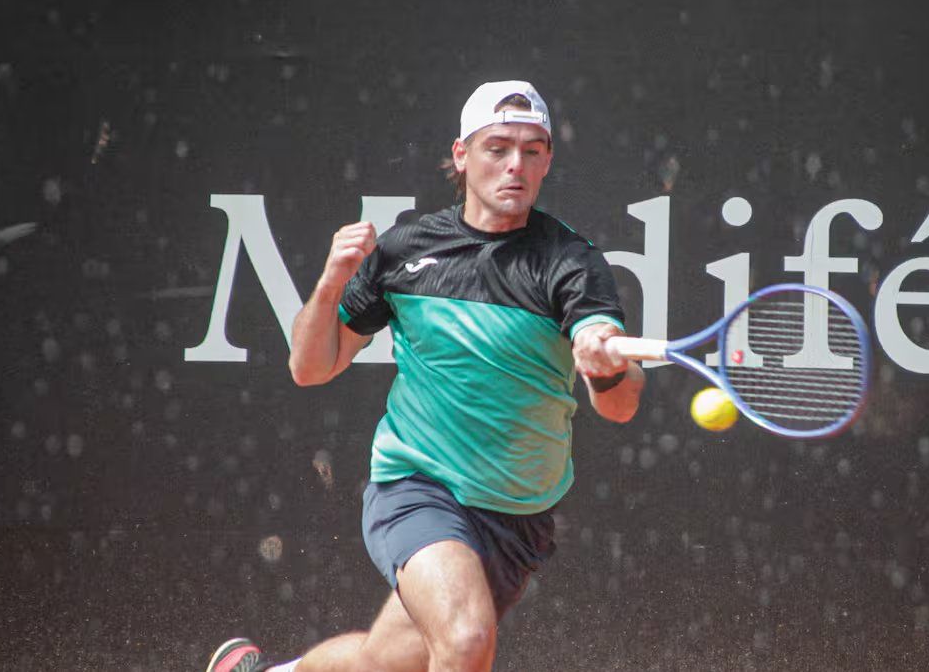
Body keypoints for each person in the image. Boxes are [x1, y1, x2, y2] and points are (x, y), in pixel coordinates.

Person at [206, 80, 645, 672]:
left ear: (546, 161)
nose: (515, 164)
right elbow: (310, 367)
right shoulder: (407, 253)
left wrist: (604, 365)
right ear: (462, 155)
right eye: (498, 147)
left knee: (385, 662)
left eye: (532, 149)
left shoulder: (571, 262)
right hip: (418, 486)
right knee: (464, 641)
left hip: (517, 516)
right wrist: (333, 280)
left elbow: (619, 406)